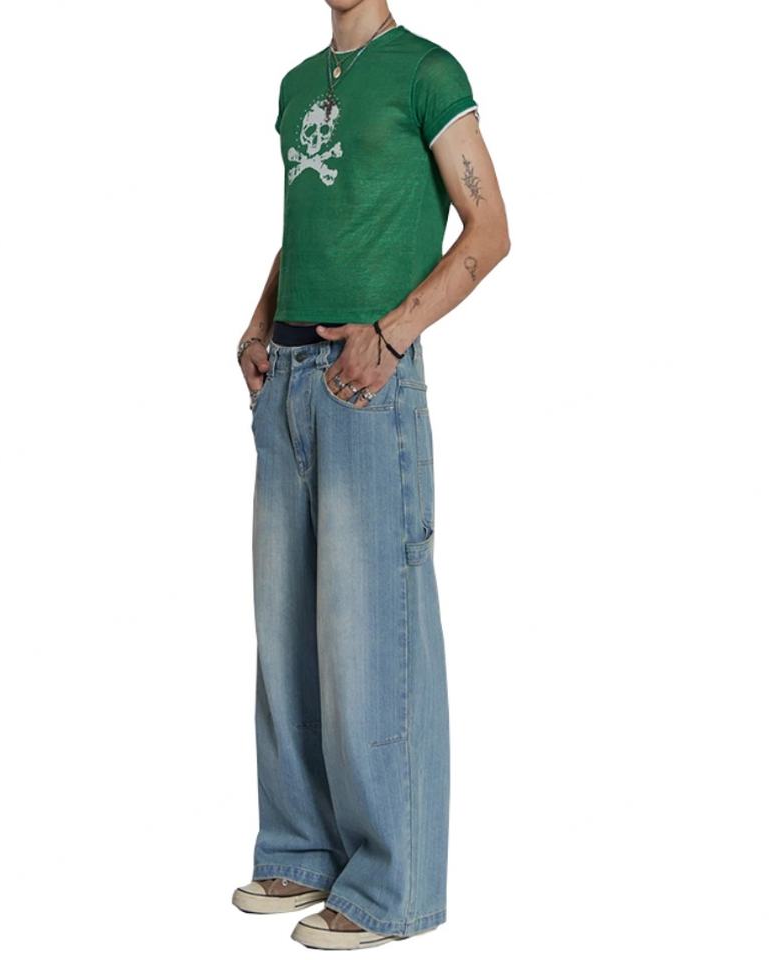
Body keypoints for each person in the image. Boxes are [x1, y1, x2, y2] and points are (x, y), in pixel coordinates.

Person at [233, 0, 509, 949]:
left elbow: (489, 230)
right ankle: (301, 850)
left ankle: (391, 885)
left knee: (369, 634)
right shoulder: (296, 86)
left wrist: (392, 336)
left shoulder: (428, 72)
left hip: (367, 382)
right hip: (286, 379)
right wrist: (259, 323)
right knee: (287, 634)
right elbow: (308, 222)